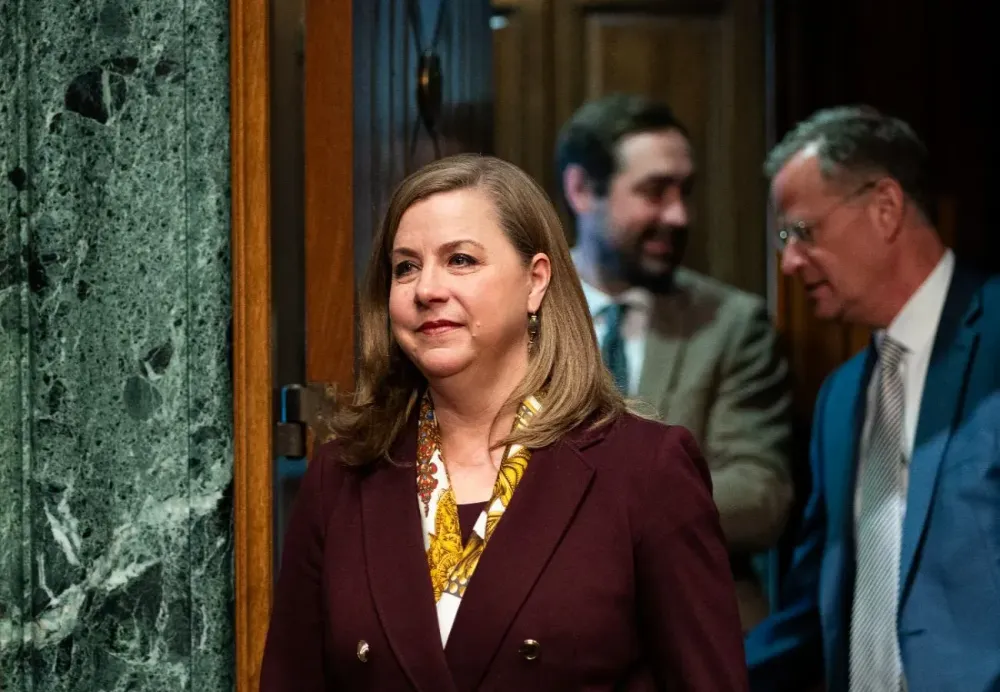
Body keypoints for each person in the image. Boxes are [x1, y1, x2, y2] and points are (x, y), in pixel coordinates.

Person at [260, 154, 748, 691]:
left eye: (461, 260)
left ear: (536, 281)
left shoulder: (644, 469)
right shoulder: (343, 472)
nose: (427, 289)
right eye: (405, 267)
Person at [744, 105, 1000, 692]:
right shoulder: (840, 399)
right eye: (785, 240)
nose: (789, 262)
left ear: (884, 207)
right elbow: (812, 608)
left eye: (803, 232)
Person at [556, 93, 794, 630]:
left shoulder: (733, 324)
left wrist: (603, 509)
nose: (678, 215)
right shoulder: (520, 315)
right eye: (654, 192)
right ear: (581, 190)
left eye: (684, 192)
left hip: (696, 629)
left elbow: (760, 494)